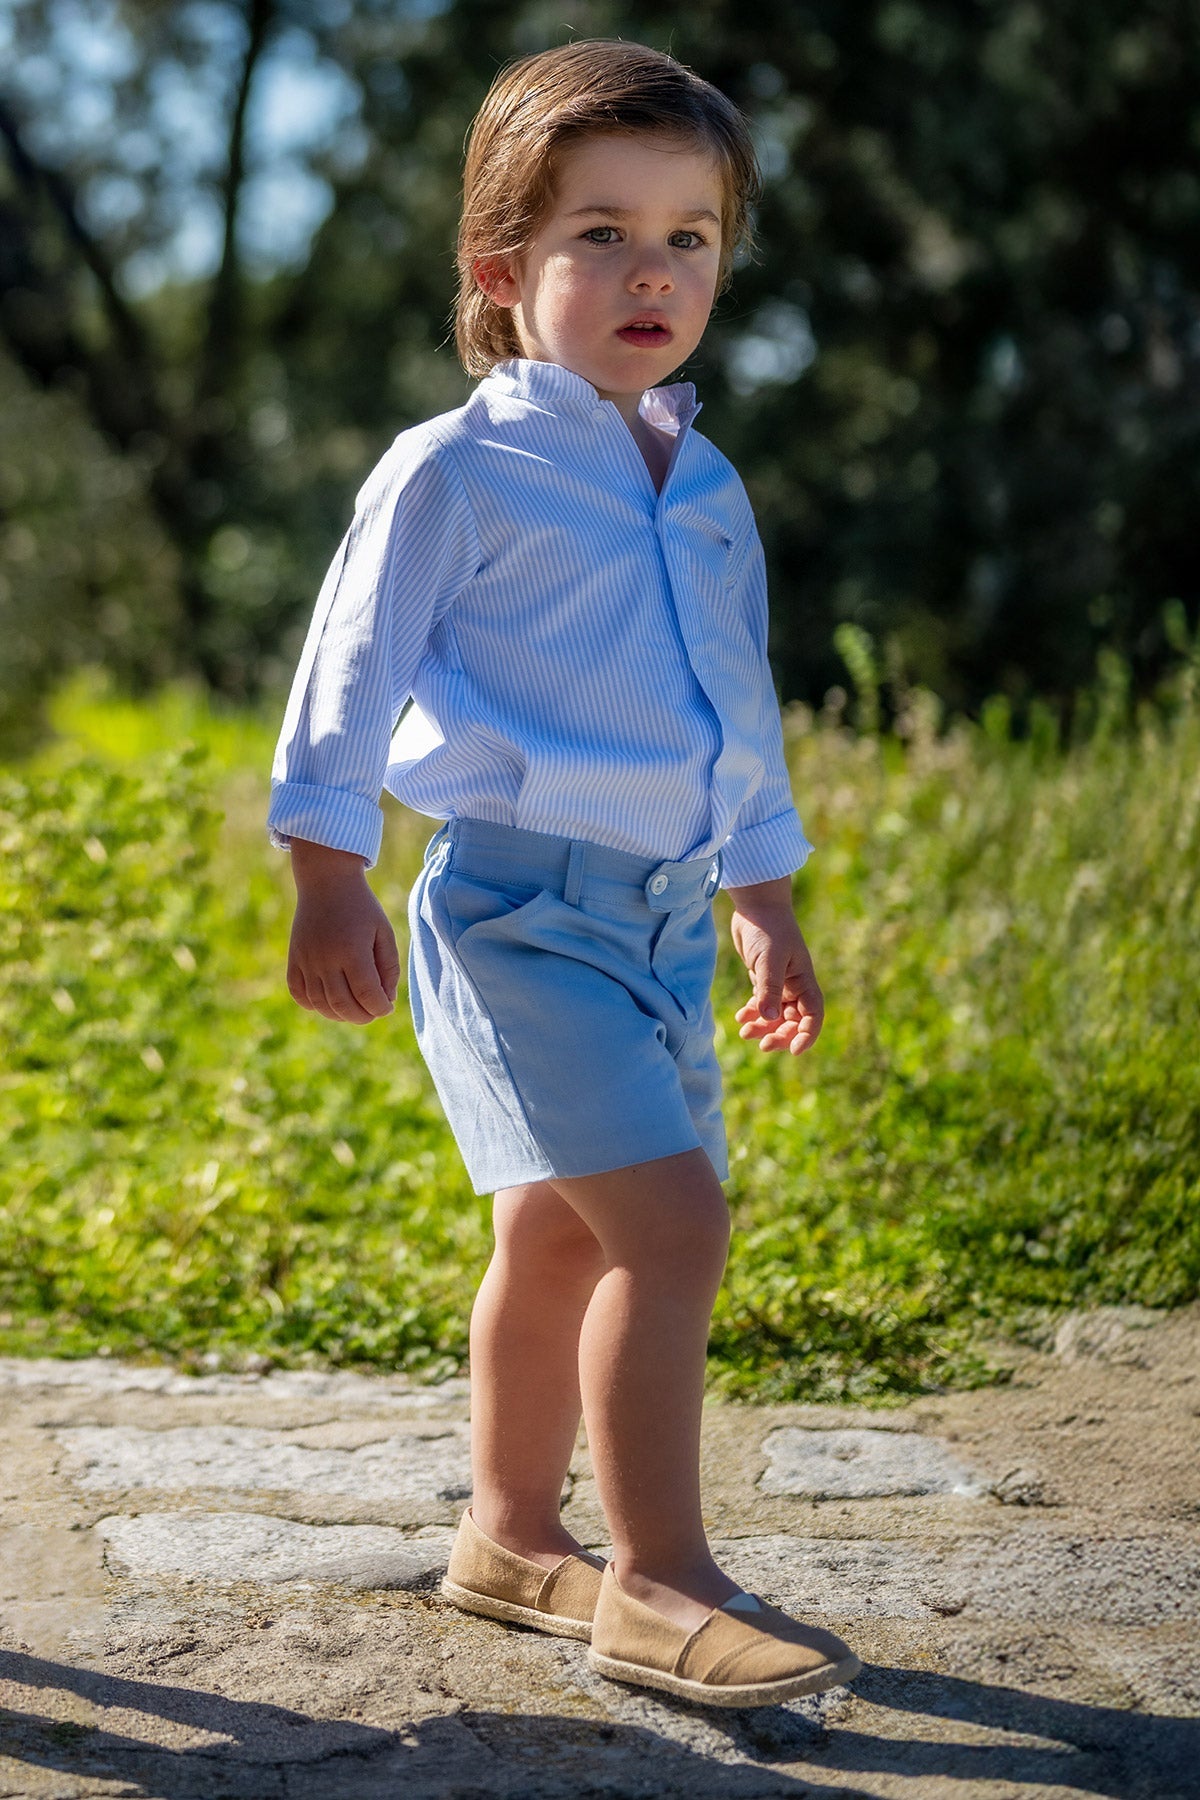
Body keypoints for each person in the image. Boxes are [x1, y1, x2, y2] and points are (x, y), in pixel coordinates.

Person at [268, 38, 860, 1709]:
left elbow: (729, 712)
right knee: (675, 1235)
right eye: (598, 232)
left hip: (671, 923)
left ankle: (512, 1539)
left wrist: (767, 901)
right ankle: (659, 1584)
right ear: (502, 271)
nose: (649, 270)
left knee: (561, 1240)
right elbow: (350, 665)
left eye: (688, 235)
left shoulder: (709, 482)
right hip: (519, 910)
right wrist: (328, 867)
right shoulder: (457, 469)